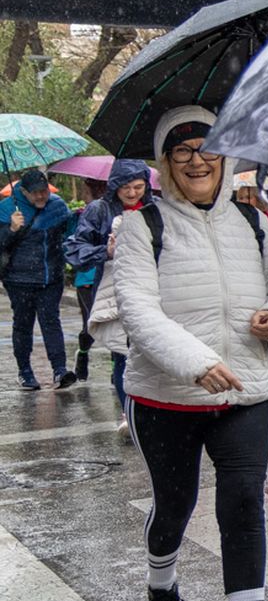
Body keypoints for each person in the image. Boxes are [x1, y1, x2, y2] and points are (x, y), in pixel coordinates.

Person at [111, 107, 268, 601]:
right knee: (175, 506)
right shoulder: (143, 227)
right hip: (166, 398)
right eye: (183, 150)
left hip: (245, 391)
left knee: (243, 502)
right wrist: (196, 363)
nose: (198, 159)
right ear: (166, 163)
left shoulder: (255, 222)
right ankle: (161, 584)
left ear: (226, 156)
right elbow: (136, 311)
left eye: (208, 147)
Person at [65, 158, 152, 423]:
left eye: (138, 186)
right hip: (115, 291)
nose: (132, 193)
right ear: (114, 186)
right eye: (125, 187)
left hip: (153, 288)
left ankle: (151, 411)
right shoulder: (99, 210)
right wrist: (106, 251)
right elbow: (73, 249)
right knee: (122, 353)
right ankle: (129, 413)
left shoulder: (156, 208)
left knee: (152, 353)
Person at [1, 168, 78, 390]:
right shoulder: (6, 210)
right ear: (23, 192)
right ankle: (25, 372)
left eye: (43, 191)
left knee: (51, 322)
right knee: (23, 325)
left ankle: (60, 370)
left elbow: (68, 233)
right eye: (35, 193)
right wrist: (11, 229)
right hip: (19, 279)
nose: (41, 196)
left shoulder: (57, 206)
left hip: (51, 277)